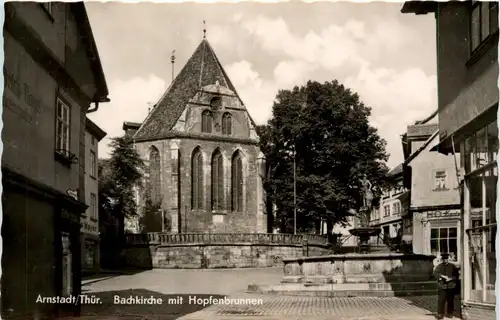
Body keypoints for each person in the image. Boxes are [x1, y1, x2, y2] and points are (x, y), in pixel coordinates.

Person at [433, 253, 459, 319]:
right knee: (441, 300)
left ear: (448, 259)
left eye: (446, 259)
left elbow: (456, 276)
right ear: (442, 259)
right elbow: (435, 273)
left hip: (451, 286)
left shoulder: (452, 266)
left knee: (450, 300)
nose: (445, 260)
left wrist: (450, 278)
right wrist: (442, 276)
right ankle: (440, 313)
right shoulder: (439, 266)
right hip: (442, 286)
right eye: (444, 259)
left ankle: (450, 313)